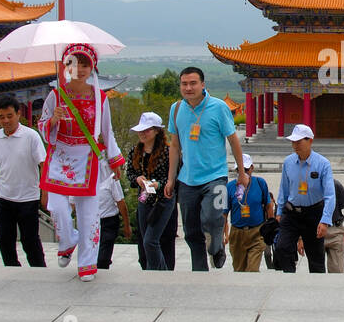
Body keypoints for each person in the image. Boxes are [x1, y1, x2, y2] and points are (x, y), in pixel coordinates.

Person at [39, 44, 126, 282]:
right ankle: (67, 240)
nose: (80, 69)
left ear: (92, 67)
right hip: (61, 156)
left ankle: (87, 263)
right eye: (74, 64)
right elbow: (43, 127)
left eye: (85, 65)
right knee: (57, 207)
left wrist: (114, 160)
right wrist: (52, 121)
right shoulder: (55, 95)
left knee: (89, 214)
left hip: (88, 157)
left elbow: (107, 132)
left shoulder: (99, 97)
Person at [163, 66, 248, 270]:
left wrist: (241, 172)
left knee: (212, 216)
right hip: (187, 180)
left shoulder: (218, 107)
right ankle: (199, 270)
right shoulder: (176, 110)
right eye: (184, 84)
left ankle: (217, 244)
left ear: (203, 84)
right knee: (191, 231)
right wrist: (171, 178)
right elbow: (175, 145)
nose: (188, 87)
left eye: (193, 83)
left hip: (215, 176)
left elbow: (233, 140)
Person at [0, 95, 47, 267]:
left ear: (18, 114)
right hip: (3, 198)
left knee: (30, 240)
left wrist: (45, 194)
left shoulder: (31, 136)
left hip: (28, 198)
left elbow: (43, 165)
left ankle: (39, 270)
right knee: (4, 239)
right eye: (1, 117)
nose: (6, 120)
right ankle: (12, 270)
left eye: (9, 116)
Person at [274, 123, 335, 273]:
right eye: (293, 142)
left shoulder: (323, 164)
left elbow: (330, 195)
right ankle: (289, 275)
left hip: (313, 213)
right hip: (291, 212)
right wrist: (279, 211)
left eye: (299, 141)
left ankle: (317, 288)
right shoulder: (288, 162)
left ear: (310, 141)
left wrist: (325, 220)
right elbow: (284, 189)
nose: (295, 145)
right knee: (282, 246)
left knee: (316, 257)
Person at [127, 111, 177, 270]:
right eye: (140, 130)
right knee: (143, 240)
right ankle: (152, 270)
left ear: (156, 131)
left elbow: (175, 177)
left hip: (163, 200)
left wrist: (159, 185)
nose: (142, 133)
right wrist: (138, 179)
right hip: (144, 199)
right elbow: (130, 173)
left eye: (147, 130)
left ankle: (159, 272)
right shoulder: (135, 151)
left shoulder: (168, 152)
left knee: (152, 240)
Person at [221, 153, 274, 272]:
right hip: (237, 233)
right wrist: (223, 234)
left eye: (246, 169)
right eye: (239, 170)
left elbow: (268, 205)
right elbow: (224, 213)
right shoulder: (230, 187)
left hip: (256, 232)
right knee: (239, 270)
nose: (243, 172)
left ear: (252, 168)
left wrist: (271, 227)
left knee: (252, 270)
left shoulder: (260, 183)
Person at [95, 174, 131, 270]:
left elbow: (121, 202)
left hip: (108, 222)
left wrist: (127, 225)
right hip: (92, 222)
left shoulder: (111, 178)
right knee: (92, 255)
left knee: (103, 258)